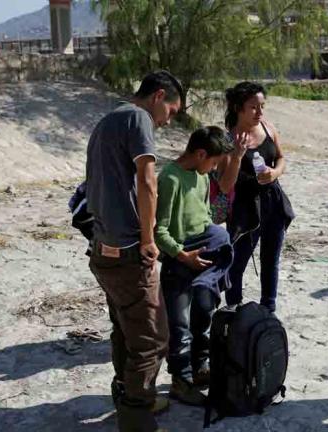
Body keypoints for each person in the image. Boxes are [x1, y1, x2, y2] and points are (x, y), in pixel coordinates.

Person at [85, 71, 182, 432]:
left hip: (103, 249)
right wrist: (148, 239)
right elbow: (147, 180)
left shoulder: (109, 119)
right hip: (127, 251)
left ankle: (127, 397)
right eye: (171, 111)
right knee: (152, 340)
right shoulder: (138, 118)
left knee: (125, 330)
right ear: (158, 96)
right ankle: (136, 417)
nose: (168, 120)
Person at [155, 126, 234, 406]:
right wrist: (181, 255)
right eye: (214, 162)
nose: (214, 168)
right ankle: (182, 381)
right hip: (179, 263)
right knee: (180, 327)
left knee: (204, 316)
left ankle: (201, 368)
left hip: (202, 261)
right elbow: (159, 230)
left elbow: (205, 216)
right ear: (201, 154)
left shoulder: (202, 178)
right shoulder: (170, 179)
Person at [216, 82, 294, 313]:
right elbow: (224, 185)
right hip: (244, 209)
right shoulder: (227, 141)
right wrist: (238, 157)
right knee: (236, 263)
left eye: (262, 106)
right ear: (238, 108)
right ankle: (233, 309)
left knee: (270, 261)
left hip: (273, 203)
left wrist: (274, 173)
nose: (259, 112)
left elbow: (281, 158)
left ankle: (268, 310)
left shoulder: (268, 128)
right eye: (253, 107)